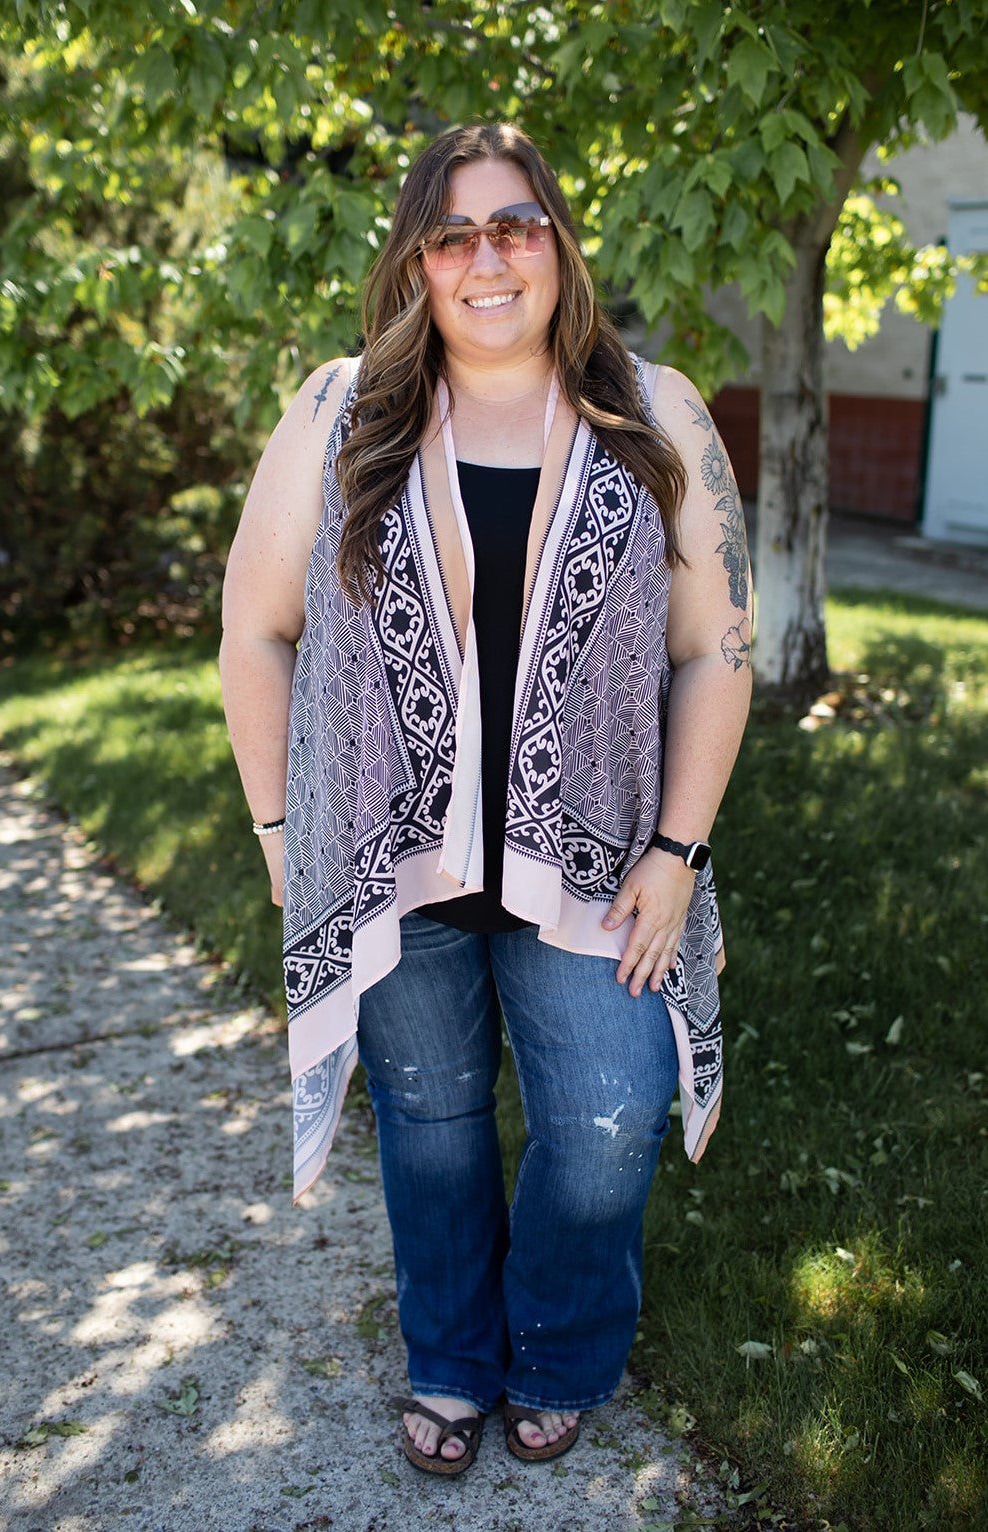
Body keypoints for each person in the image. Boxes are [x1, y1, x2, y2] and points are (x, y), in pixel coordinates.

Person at [219, 121, 752, 1477]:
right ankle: (452, 1361)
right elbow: (254, 630)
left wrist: (680, 851)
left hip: (600, 863)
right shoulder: (341, 412)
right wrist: (281, 829)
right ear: (416, 264)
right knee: (432, 1120)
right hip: (392, 860)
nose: (486, 258)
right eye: (451, 234)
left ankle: (557, 1348)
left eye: (514, 224)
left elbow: (716, 648)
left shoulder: (658, 411)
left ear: (559, 243)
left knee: (607, 1122)